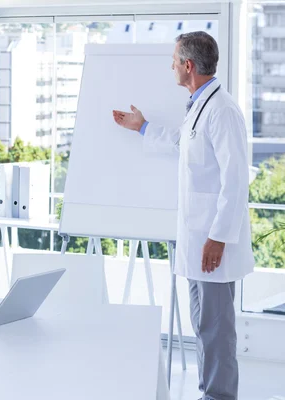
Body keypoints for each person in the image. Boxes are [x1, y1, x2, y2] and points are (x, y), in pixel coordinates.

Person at [113, 31, 253, 400]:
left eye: (174, 60)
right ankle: (210, 394)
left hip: (212, 245)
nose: (171, 66)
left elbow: (236, 181)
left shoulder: (222, 110)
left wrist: (218, 237)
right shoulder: (200, 107)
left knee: (216, 329)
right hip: (197, 243)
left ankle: (219, 396)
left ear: (188, 66)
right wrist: (141, 126)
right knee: (204, 326)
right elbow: (182, 142)